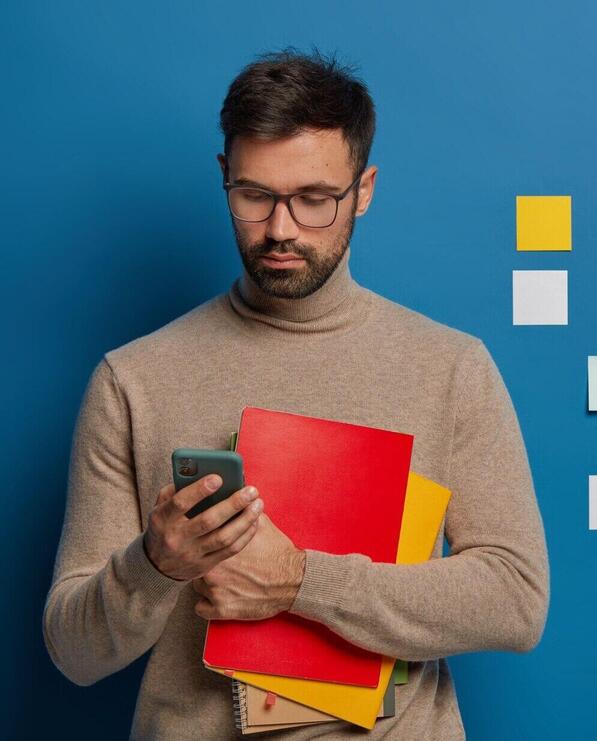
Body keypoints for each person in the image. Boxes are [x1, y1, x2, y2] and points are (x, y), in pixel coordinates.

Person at [42, 48, 550, 739]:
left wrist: (303, 581)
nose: (281, 228)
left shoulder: (451, 367)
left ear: (363, 189)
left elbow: (516, 599)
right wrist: (154, 563)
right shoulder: (132, 379)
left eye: (314, 198)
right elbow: (73, 652)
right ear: (224, 177)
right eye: (255, 195)